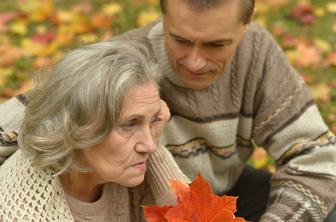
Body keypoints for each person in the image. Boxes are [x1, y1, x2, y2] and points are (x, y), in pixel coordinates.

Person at [1, 0, 336, 221]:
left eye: (216, 44)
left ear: (245, 26)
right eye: (179, 39)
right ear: (164, 17)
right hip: (155, 202)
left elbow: (315, 157)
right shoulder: (127, 63)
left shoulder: (257, 55)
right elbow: (49, 109)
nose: (194, 62)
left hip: (221, 190)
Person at [0, 37, 189, 221]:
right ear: (76, 128)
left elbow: (194, 214)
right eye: (130, 124)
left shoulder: (119, 168)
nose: (150, 146)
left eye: (154, 120)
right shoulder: (24, 213)